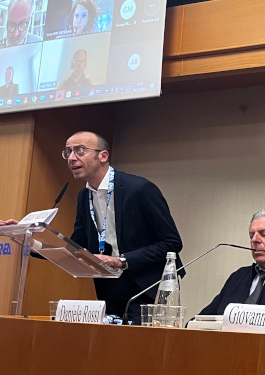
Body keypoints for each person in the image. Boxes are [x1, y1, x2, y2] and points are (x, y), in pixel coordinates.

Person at [64, 131, 183, 323]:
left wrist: (122, 261)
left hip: (146, 285)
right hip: (110, 285)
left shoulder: (139, 189)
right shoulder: (84, 196)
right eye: (68, 151)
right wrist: (31, 236)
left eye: (80, 150)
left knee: (137, 347)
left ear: (103, 155)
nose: (71, 157)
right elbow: (78, 244)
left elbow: (172, 243)